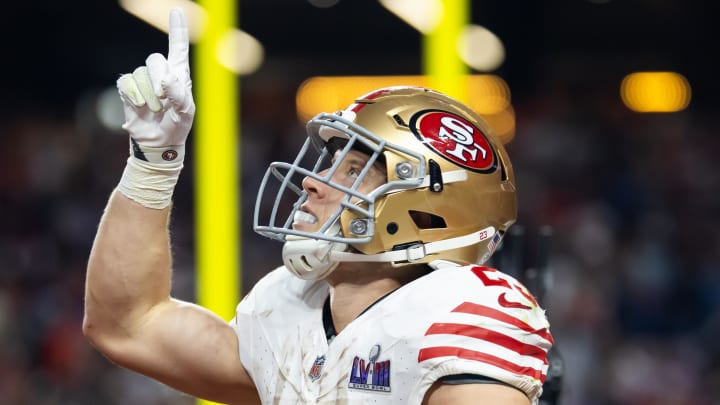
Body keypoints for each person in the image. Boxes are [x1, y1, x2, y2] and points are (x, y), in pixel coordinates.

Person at [83, 8, 553, 405]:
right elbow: (127, 324)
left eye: (352, 172)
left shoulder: (459, 311)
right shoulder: (291, 308)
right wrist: (152, 164)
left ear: (425, 213)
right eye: (330, 166)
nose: (313, 183)